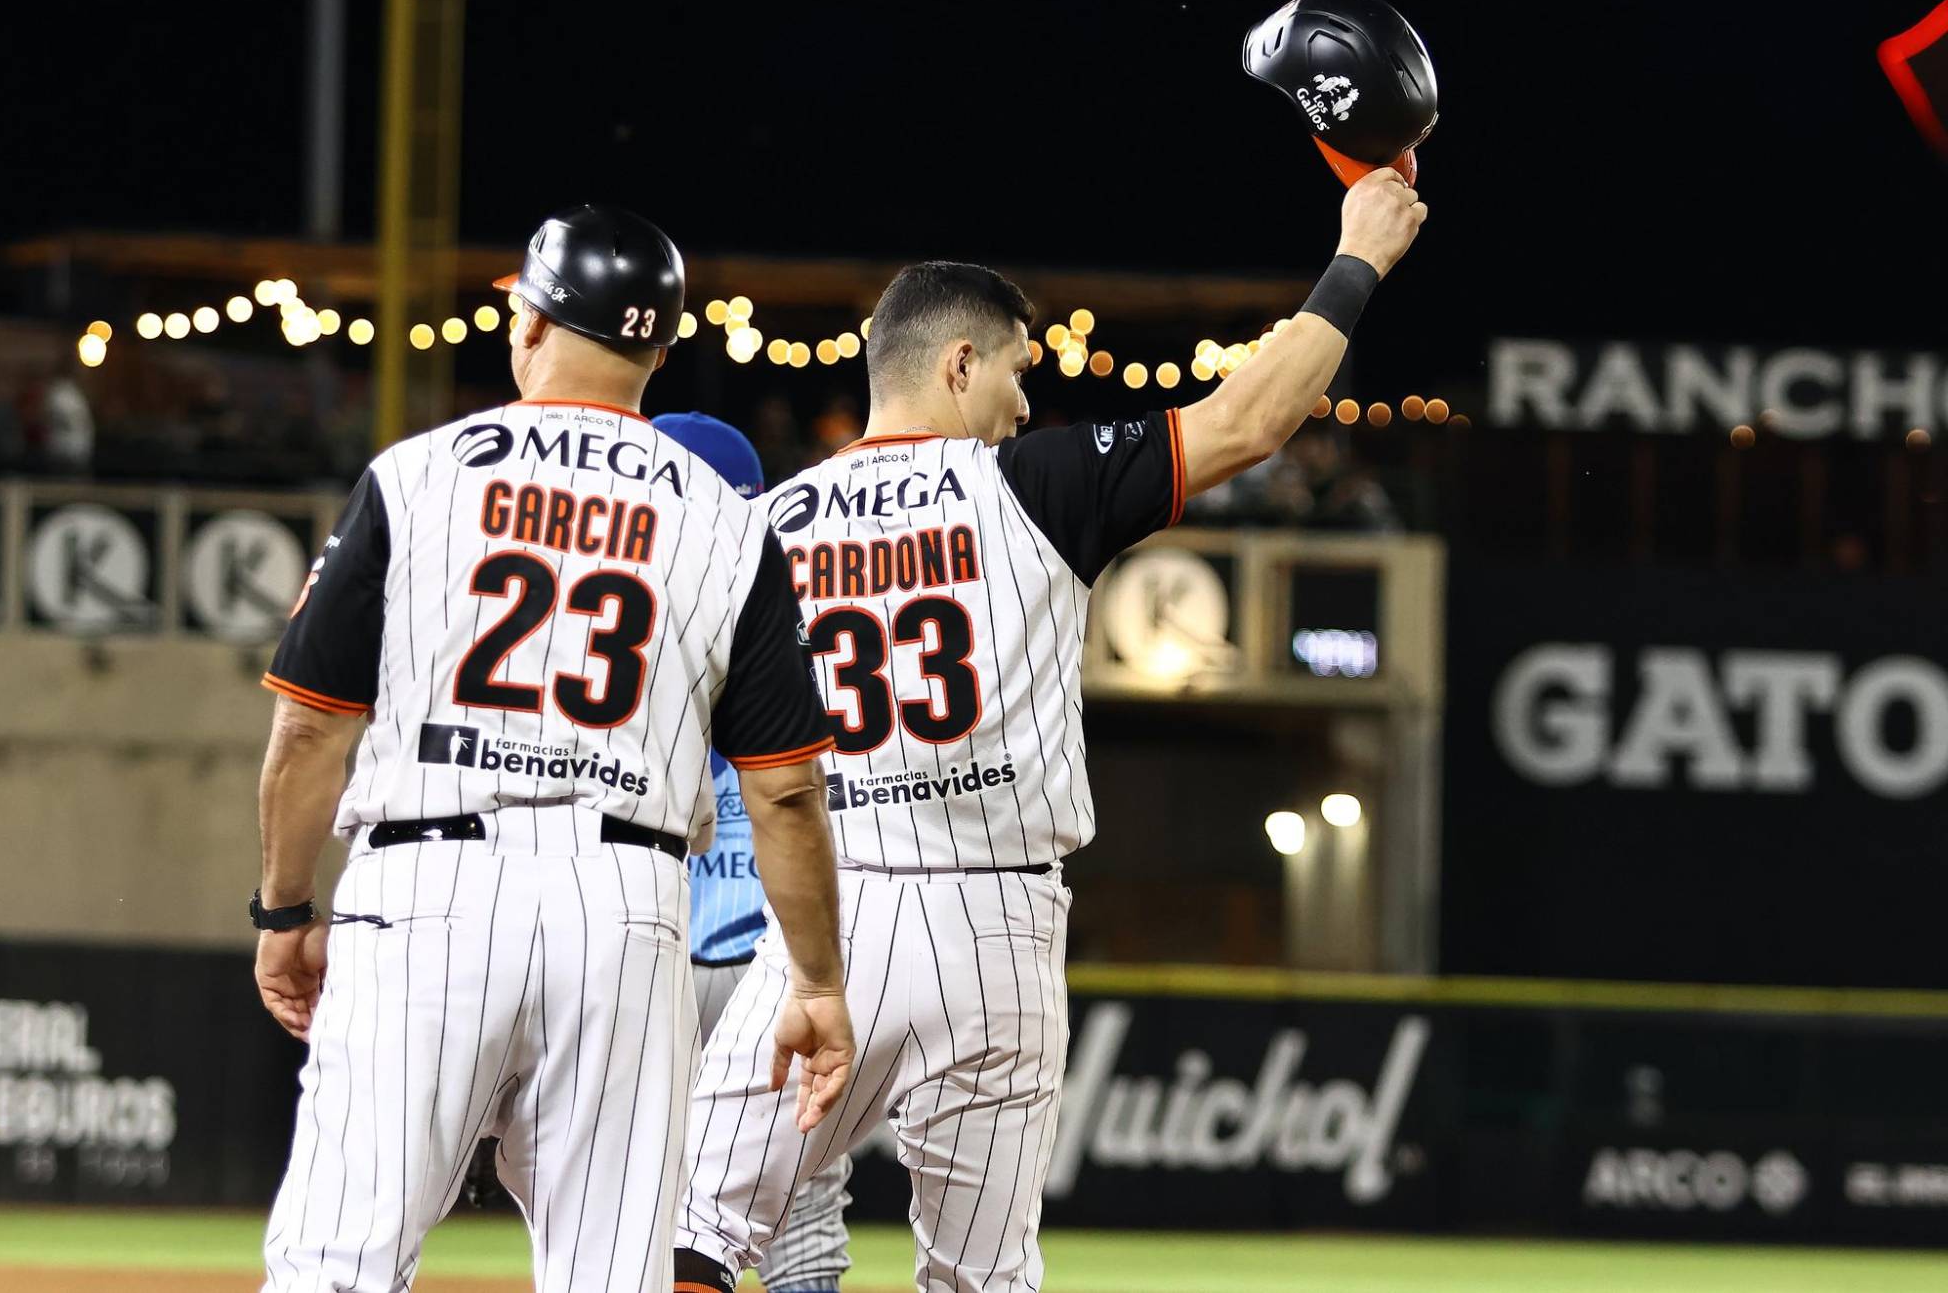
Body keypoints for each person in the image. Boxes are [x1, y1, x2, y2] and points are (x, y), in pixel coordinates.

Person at [675, 169, 1426, 1293]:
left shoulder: (762, 525)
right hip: (1001, 923)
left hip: (833, 903)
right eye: (1018, 371)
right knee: (983, 1273)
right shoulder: (1030, 482)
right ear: (958, 362)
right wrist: (1355, 258)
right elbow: (1252, 418)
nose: (1026, 404)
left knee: (693, 1225)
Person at [250, 204, 854, 1293]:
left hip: (423, 881)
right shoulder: (724, 519)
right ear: (660, 351)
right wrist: (814, 974)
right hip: (625, 905)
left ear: (527, 324)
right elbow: (787, 793)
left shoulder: (416, 475)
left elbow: (308, 727)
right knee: (610, 1273)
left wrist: (287, 907)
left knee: (334, 1262)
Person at [654, 411, 856, 1293]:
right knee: (797, 1206)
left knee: (626, 1203)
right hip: (770, 956)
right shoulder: (792, 616)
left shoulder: (606, 615)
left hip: (638, 949)